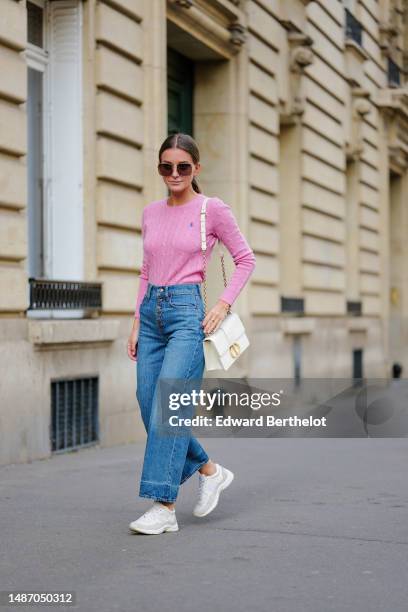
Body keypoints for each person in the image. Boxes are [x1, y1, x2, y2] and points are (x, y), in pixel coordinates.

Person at [127, 133, 256, 534]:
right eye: (166, 166)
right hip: (151, 316)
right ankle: (209, 469)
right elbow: (146, 272)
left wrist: (222, 305)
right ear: (159, 168)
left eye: (183, 167)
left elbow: (245, 259)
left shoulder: (211, 209)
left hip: (187, 315)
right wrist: (135, 322)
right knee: (149, 401)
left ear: (196, 169)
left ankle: (163, 506)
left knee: (169, 405)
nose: (175, 174)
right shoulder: (150, 212)